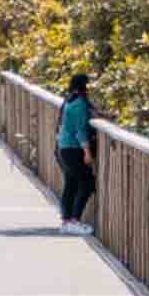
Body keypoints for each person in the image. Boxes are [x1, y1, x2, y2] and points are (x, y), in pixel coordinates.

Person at [56, 73, 98, 234]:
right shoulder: (80, 103)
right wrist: (87, 152)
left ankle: (67, 221)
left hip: (64, 147)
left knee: (71, 184)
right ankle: (75, 220)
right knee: (87, 184)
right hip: (74, 148)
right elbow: (80, 130)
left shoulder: (69, 99)